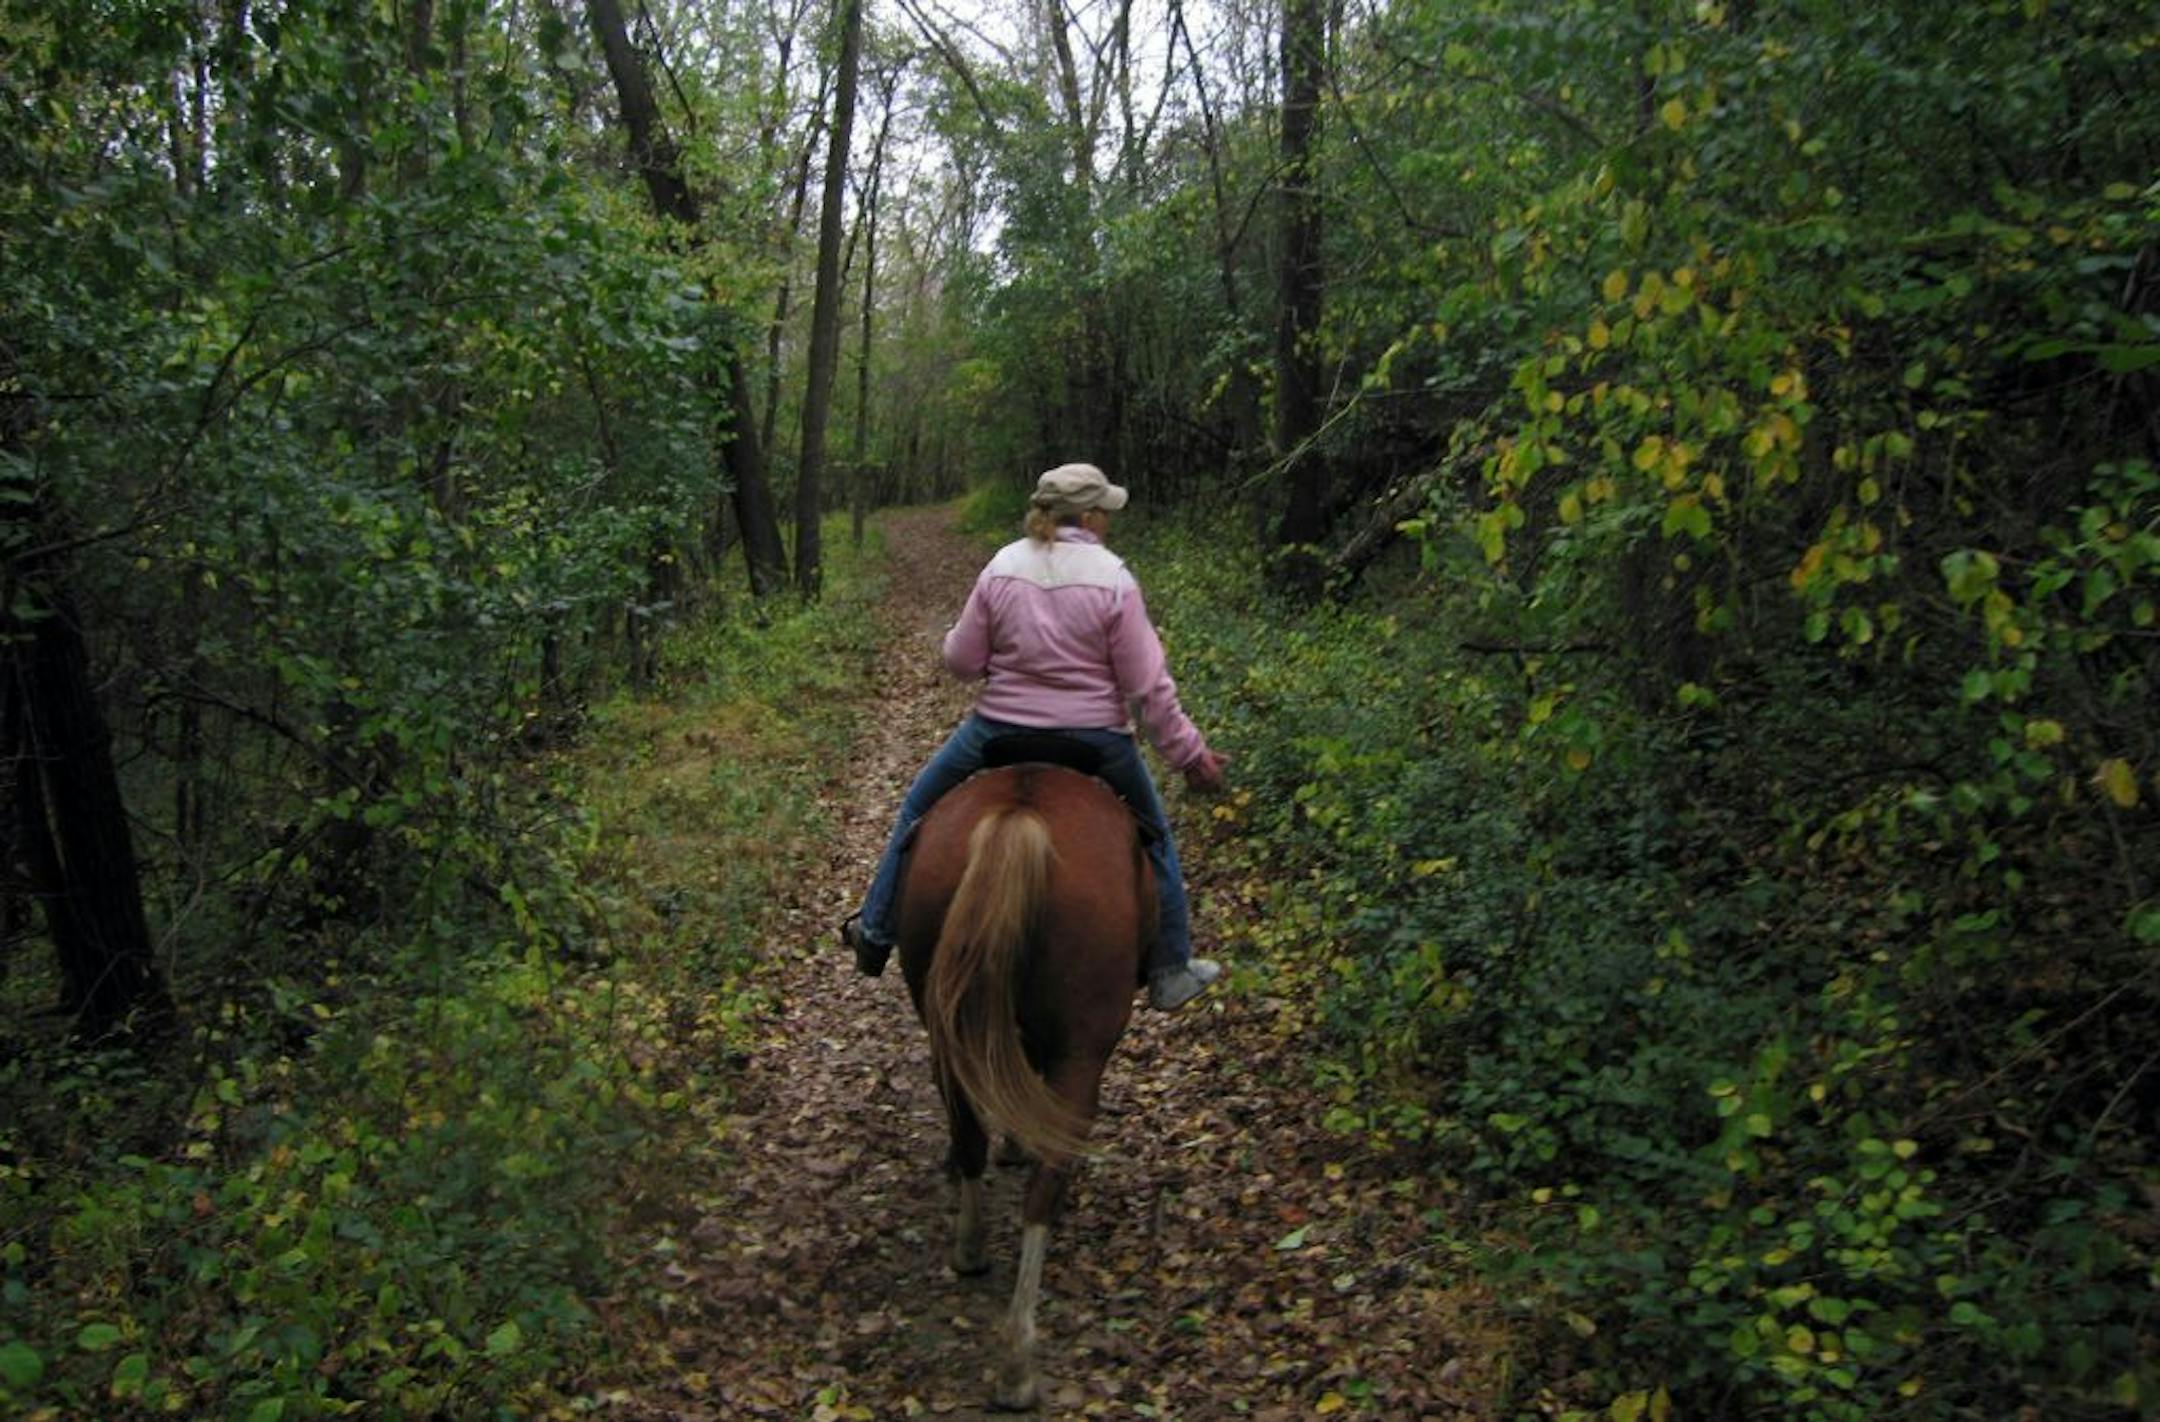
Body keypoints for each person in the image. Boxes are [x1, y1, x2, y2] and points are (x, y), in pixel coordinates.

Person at [840, 463, 1230, 1011]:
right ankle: (1170, 967)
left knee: (916, 809)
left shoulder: (1003, 567)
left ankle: (876, 933)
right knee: (1157, 838)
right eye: (1106, 513)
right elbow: (1148, 688)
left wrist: (973, 639)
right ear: (1092, 516)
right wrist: (1190, 756)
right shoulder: (1114, 577)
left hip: (999, 730)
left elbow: (961, 661)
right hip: (1097, 740)